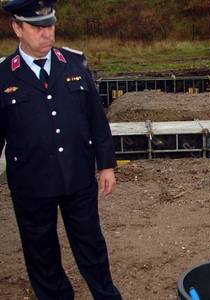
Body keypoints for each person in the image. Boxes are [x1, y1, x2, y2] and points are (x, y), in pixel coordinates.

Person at [0, 1, 122, 299]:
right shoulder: (3, 75)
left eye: (50, 26)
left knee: (90, 244)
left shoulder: (75, 64)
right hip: (31, 182)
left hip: (77, 175)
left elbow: (96, 118)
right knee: (40, 252)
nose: (47, 34)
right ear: (17, 28)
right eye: (37, 27)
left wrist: (106, 165)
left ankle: (105, 295)